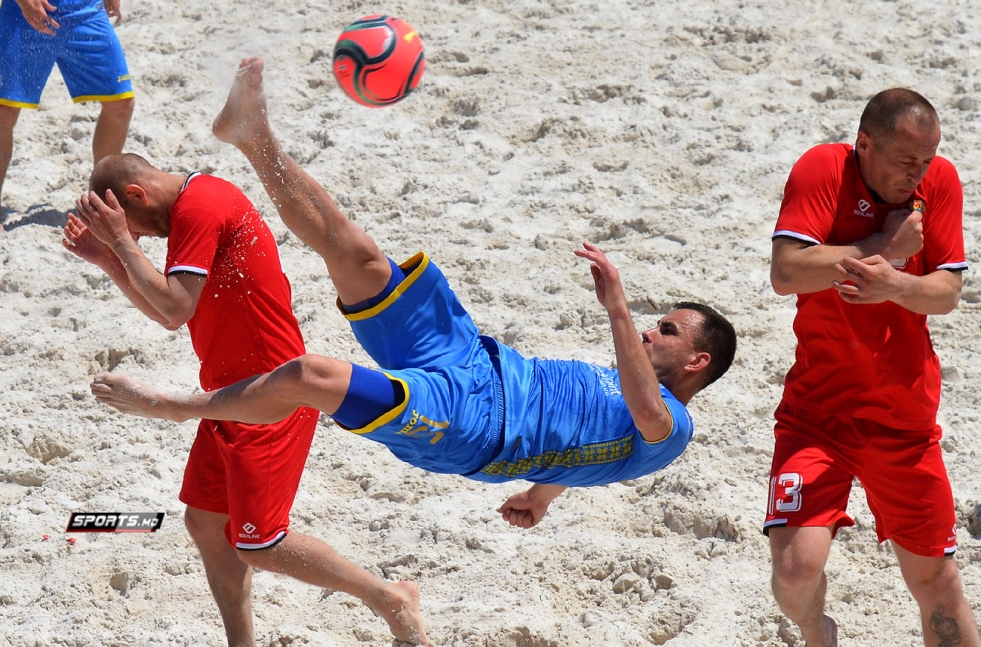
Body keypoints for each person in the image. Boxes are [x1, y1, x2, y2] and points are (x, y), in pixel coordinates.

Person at [89, 57, 737, 536]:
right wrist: (542, 497)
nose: (652, 332)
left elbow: (644, 414)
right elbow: (587, 445)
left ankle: (181, 407)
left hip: (470, 424)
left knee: (312, 373)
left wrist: (617, 308)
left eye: (668, 332)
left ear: (696, 364)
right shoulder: (624, 411)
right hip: (479, 360)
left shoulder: (670, 427)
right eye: (654, 323)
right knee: (362, 259)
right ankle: (255, 136)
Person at [63, 163, 427, 640]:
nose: (139, 238)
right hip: (224, 396)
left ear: (137, 194)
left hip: (271, 394)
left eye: (131, 224)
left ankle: (390, 596)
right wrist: (111, 256)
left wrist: (120, 244)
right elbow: (170, 312)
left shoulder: (201, 207)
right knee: (207, 524)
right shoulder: (189, 208)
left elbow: (173, 305)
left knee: (261, 544)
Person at [766, 88, 978, 647]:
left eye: (927, 160)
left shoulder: (940, 183)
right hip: (817, 412)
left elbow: (947, 292)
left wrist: (895, 284)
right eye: (906, 161)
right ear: (863, 145)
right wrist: (882, 245)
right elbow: (787, 271)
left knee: (936, 579)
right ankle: (818, 630)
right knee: (794, 570)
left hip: (903, 417)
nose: (918, 174)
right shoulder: (822, 168)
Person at [0, 0, 135, 230]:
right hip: (25, 13)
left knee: (120, 105)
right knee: (3, 114)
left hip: (85, 11)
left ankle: (100, 203)